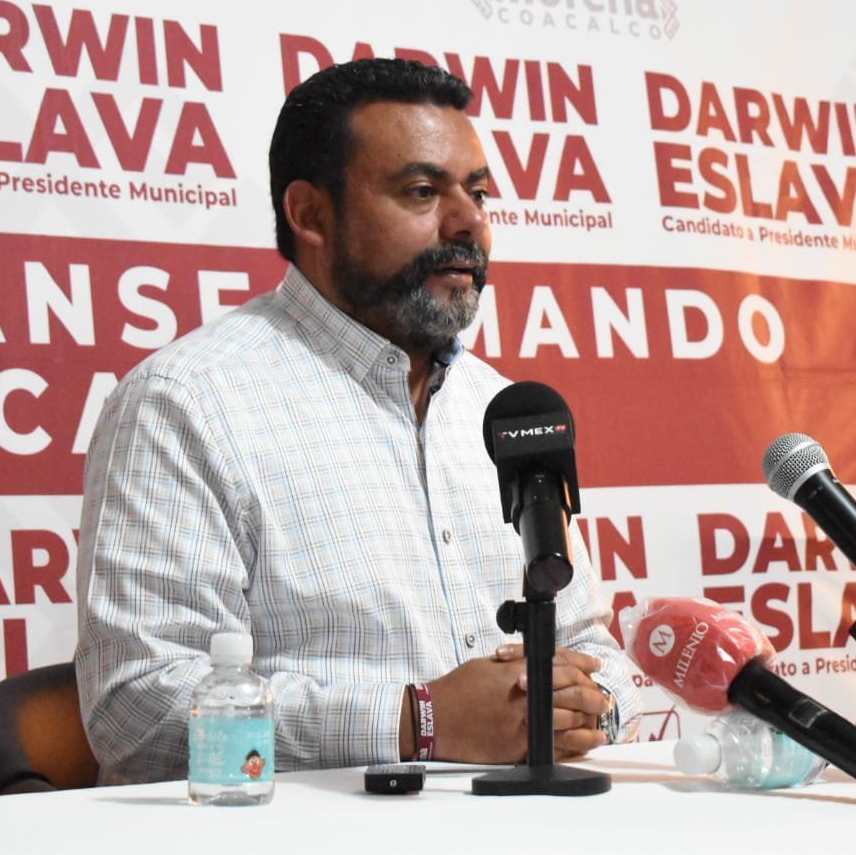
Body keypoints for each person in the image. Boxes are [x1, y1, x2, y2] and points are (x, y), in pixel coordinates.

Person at [75, 58, 641, 783]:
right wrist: (418, 722)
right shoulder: (187, 402)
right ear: (310, 214)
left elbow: (592, 648)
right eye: (422, 192)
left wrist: (587, 706)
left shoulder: (503, 410)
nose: (468, 222)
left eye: (476, 192)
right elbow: (136, 709)